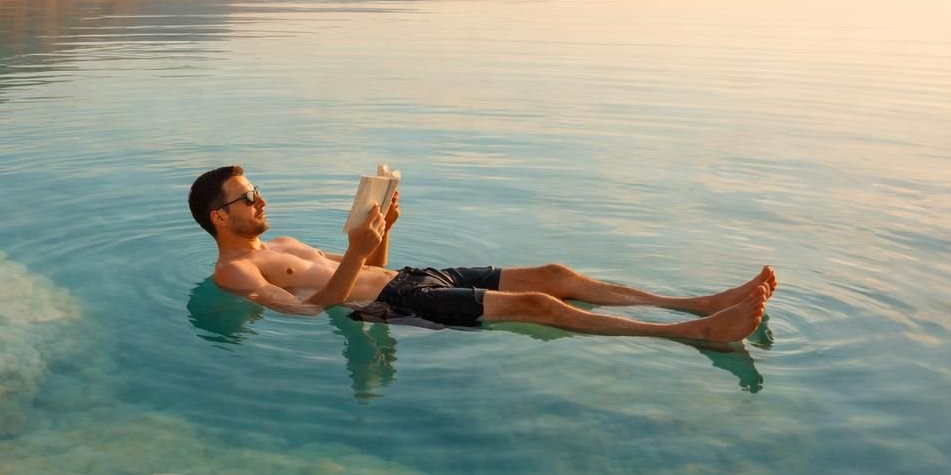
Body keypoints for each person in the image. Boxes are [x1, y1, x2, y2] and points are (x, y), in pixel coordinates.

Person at [188, 165, 774, 343]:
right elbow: (312, 309)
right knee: (539, 304)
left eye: (257, 190)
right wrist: (356, 251)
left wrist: (382, 231)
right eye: (248, 197)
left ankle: (695, 303)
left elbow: (364, 265)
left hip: (407, 275)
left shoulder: (283, 244)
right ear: (220, 217)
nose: (261, 200)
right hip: (398, 302)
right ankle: (694, 333)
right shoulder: (233, 272)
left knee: (554, 274)